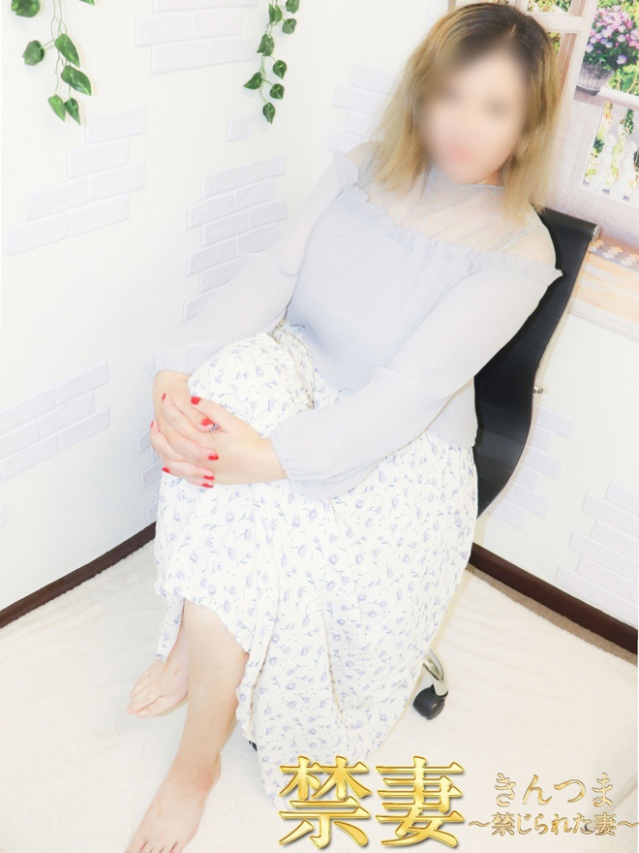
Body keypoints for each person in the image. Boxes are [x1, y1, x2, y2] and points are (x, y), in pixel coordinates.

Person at [125, 2, 564, 849]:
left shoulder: (520, 250)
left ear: (528, 122)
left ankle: (196, 759)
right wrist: (175, 370)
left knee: (256, 509)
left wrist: (269, 457)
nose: (463, 125)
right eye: (450, 95)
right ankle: (197, 639)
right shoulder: (363, 167)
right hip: (305, 371)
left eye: (494, 107)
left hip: (402, 446)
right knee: (217, 390)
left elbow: (406, 394)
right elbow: (274, 270)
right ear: (422, 91)